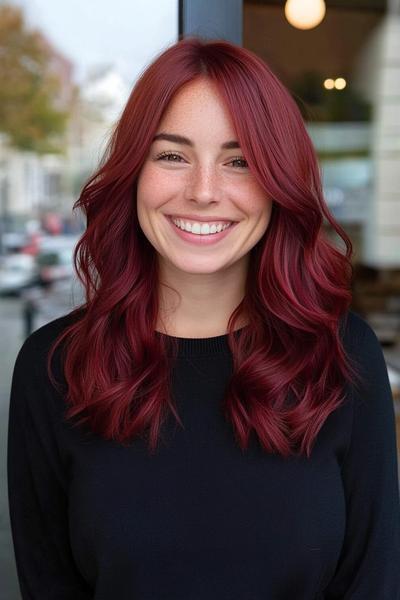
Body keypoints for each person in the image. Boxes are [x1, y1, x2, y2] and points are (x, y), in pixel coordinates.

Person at [7, 35, 400, 599]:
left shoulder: (342, 356)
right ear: (134, 172)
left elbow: (374, 582)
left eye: (240, 161)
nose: (204, 191)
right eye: (172, 155)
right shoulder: (54, 367)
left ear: (277, 183)